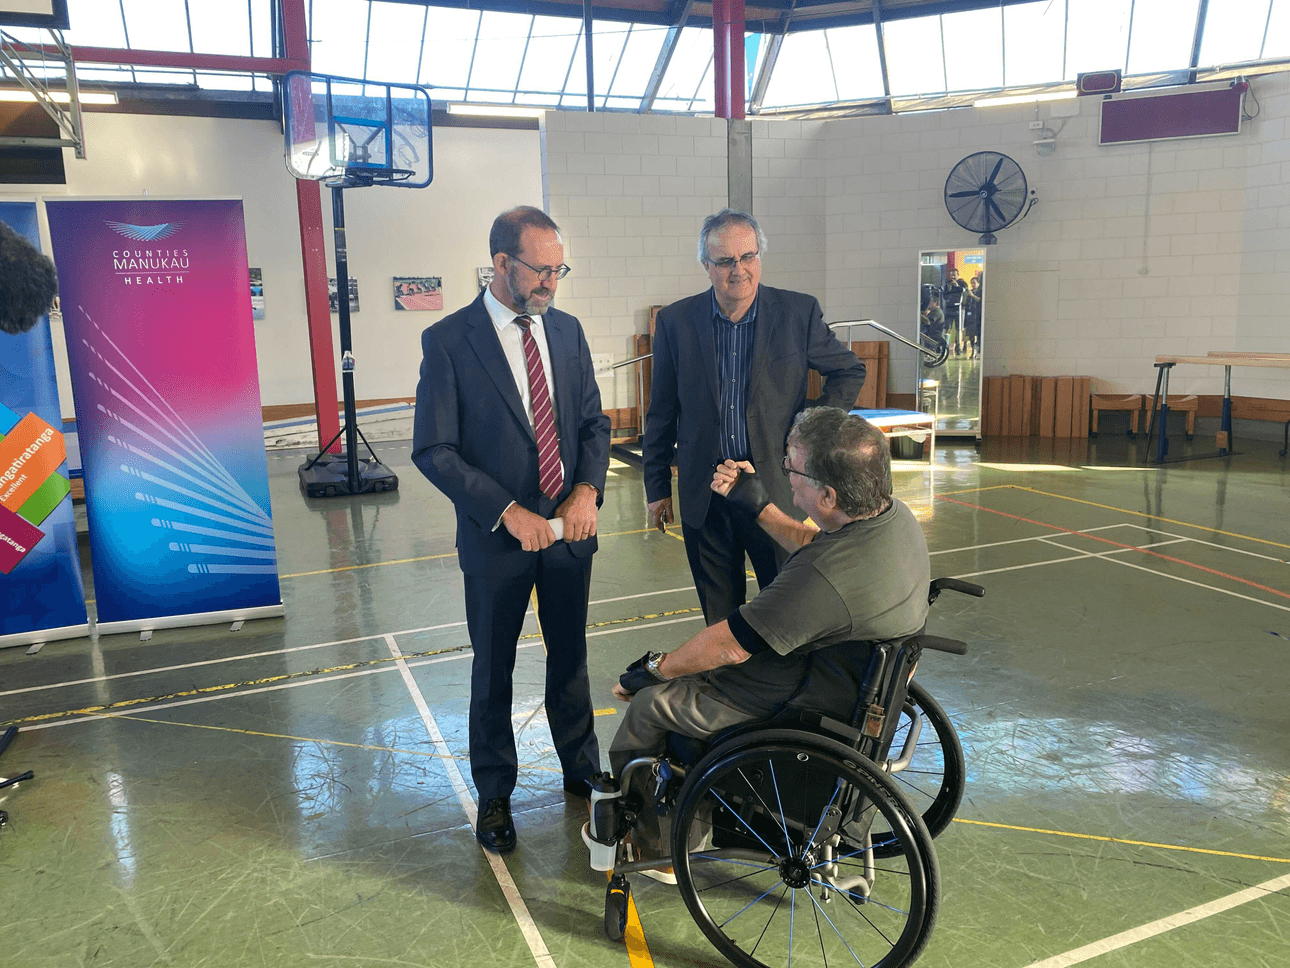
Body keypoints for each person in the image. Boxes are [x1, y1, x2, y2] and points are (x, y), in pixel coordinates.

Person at [610, 407, 931, 860]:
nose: (786, 474)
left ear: (828, 495)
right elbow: (813, 543)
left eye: (792, 467)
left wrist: (651, 671)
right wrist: (757, 503)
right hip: (851, 687)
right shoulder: (892, 521)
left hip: (794, 701)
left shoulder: (821, 580)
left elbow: (728, 646)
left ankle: (652, 843)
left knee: (652, 706)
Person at [412, 205, 610, 855]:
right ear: (501, 264)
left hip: (569, 533)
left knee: (571, 659)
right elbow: (435, 449)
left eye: (560, 268)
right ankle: (495, 792)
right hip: (498, 539)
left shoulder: (569, 332)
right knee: (493, 669)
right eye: (540, 269)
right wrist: (507, 511)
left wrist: (586, 490)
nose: (552, 281)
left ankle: (582, 769)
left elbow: (591, 427)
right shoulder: (449, 341)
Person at [642, 209, 867, 626]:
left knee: (785, 613)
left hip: (776, 490)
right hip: (705, 495)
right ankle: (730, 690)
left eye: (748, 256)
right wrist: (656, 486)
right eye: (725, 261)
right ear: (706, 266)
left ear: (759, 256)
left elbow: (849, 370)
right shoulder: (676, 322)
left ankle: (780, 691)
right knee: (720, 619)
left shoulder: (798, 313)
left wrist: (806, 435)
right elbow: (661, 411)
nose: (738, 270)